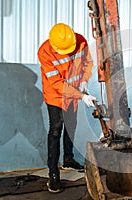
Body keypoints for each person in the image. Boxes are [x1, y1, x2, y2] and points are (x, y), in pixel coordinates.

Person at [38, 23, 96, 193]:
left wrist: (85, 80)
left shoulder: (80, 41)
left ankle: (68, 159)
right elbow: (57, 84)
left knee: (71, 126)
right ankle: (53, 173)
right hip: (56, 95)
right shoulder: (45, 52)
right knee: (56, 129)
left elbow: (88, 62)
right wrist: (82, 96)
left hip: (76, 92)